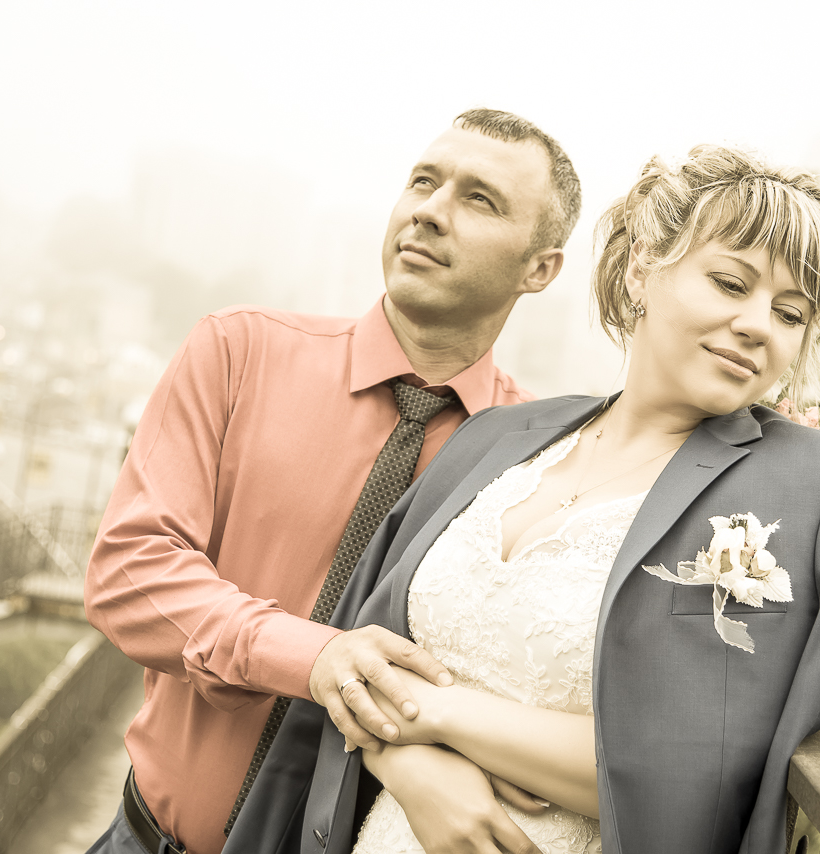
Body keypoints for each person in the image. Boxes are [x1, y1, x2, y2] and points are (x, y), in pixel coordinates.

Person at [280, 145, 820, 854]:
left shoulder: (813, 491)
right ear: (642, 268)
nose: (759, 324)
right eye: (731, 283)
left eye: (790, 313)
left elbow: (699, 770)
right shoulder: (496, 436)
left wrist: (439, 714)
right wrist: (406, 762)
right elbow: (363, 654)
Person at [82, 108, 582, 854]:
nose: (430, 211)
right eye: (423, 181)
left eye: (479, 199)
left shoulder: (539, 459)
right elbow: (128, 572)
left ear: (540, 268)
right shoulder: (237, 351)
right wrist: (312, 657)